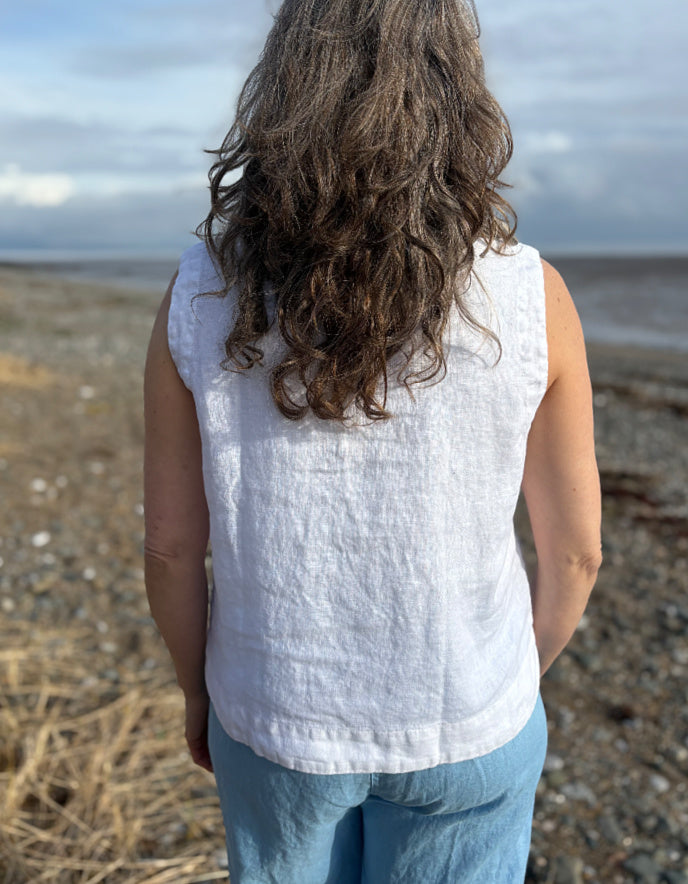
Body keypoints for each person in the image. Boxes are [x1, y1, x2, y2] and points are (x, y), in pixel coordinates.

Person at [143, 0, 602, 881]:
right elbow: (576, 553)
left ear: (285, 87)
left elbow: (170, 548)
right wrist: (511, 681)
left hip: (277, 712)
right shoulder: (530, 293)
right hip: (467, 714)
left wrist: (198, 691)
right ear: (457, 90)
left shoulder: (200, 294)